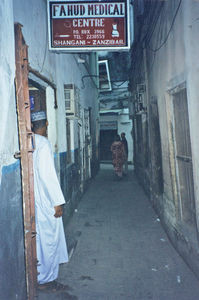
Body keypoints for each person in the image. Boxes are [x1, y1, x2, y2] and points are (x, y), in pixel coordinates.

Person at [31, 111, 68, 292]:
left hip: (35, 200)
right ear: (45, 124)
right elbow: (48, 176)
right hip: (46, 201)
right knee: (50, 241)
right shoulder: (43, 144)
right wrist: (57, 202)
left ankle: (39, 275)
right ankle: (47, 279)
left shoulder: (29, 142)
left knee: (40, 241)